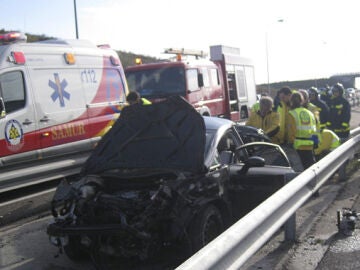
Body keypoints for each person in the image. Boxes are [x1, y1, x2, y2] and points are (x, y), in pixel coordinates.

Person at [288, 92, 317, 170]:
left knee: (300, 171)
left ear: (291, 101)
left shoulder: (292, 113)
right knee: (310, 168)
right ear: (302, 101)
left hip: (298, 146)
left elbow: (291, 131)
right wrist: (316, 142)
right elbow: (314, 129)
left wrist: (290, 143)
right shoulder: (310, 113)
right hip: (310, 144)